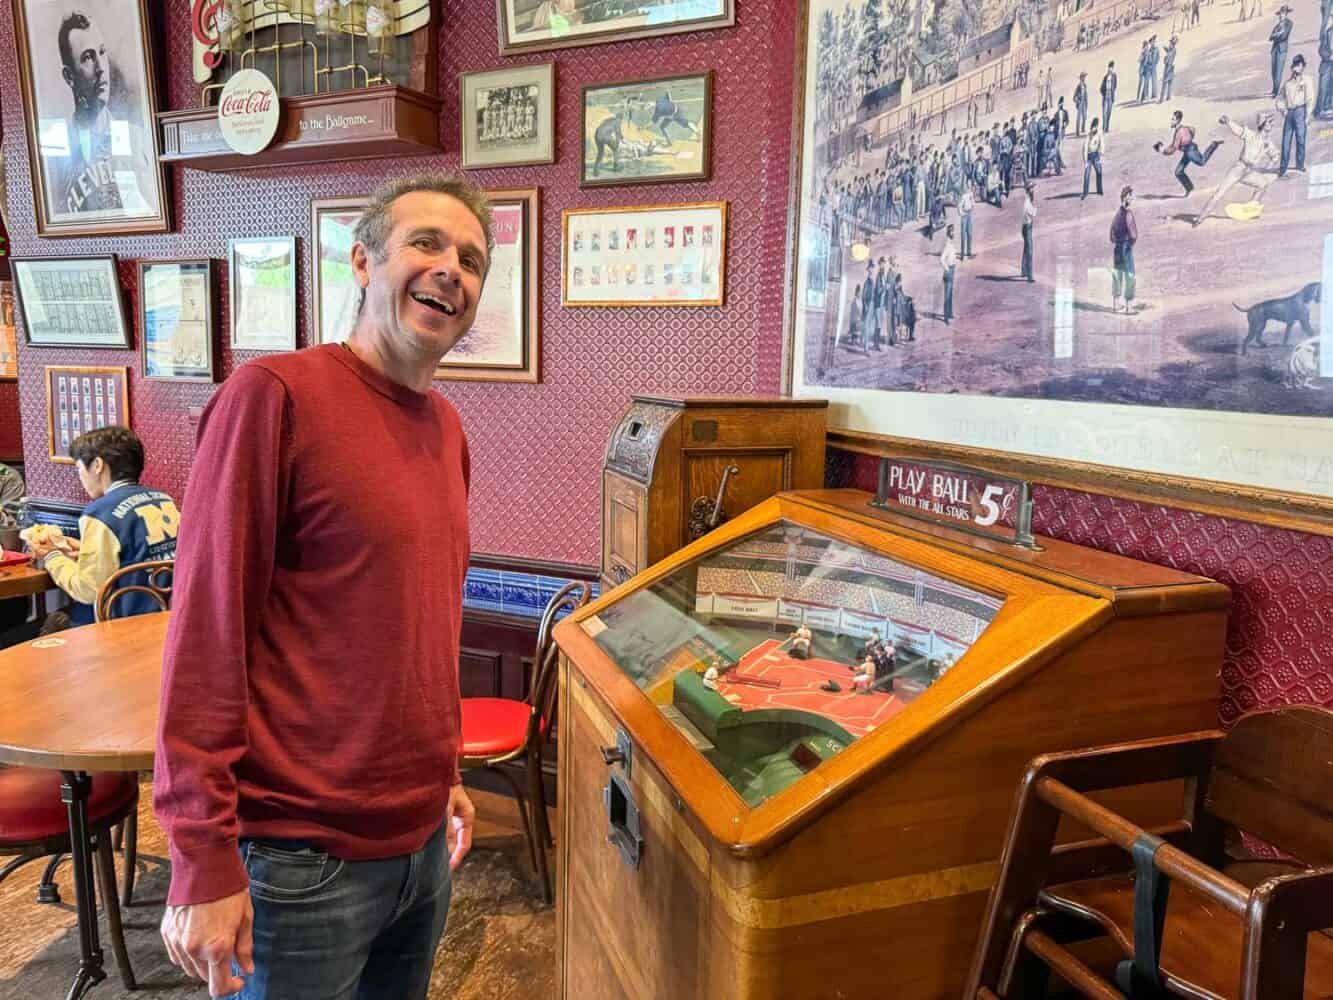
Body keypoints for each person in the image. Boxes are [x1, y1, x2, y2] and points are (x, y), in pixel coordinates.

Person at [154, 172, 494, 999]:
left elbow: (416, 627)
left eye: (472, 258)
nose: (452, 268)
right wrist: (201, 853)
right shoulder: (275, 396)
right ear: (362, 264)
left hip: (418, 847)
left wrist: (442, 768)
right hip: (297, 863)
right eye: (426, 243)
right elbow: (206, 633)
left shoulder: (445, 428)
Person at [25, 427, 179, 631]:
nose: (80, 478)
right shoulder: (163, 499)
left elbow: (88, 590)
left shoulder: (100, 512)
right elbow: (139, 555)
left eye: (79, 469)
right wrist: (83, 548)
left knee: (42, 626)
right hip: (167, 616)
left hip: (123, 621)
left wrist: (52, 555)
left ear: (97, 465)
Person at [52, 10, 155, 215]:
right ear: (69, 76)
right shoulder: (56, 154)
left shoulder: (136, 139)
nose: (101, 67)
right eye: (88, 57)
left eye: (102, 52)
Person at [1194, 112, 1279, 225]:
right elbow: (1238, 130)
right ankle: (1201, 217)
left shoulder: (1268, 143)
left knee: (1263, 184)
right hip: (1239, 168)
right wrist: (1228, 121)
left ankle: (1251, 210)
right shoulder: (1250, 135)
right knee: (1220, 192)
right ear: (1263, 124)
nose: (1272, 125)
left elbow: (1275, 156)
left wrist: (1266, 169)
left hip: (1249, 171)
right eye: (1269, 122)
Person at [1154, 110, 1222, 194]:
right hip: (1187, 151)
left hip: (1191, 151)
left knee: (1202, 162)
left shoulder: (1180, 131)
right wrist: (1165, 149)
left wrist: (1164, 151)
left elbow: (1174, 148)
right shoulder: (1180, 129)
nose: (1171, 121)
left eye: (1173, 119)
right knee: (1178, 172)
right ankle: (1190, 188)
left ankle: (1213, 144)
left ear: (1178, 120)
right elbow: (1189, 132)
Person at [1277, 54, 1315, 175]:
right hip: (1289, 112)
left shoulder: (1307, 80)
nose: (1297, 68)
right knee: (1286, 141)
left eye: (1299, 65)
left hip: (1301, 111)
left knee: (1300, 140)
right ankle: (1283, 167)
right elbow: (1280, 98)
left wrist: (1308, 115)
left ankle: (1299, 165)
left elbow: (1310, 98)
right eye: (1295, 66)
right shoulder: (1288, 83)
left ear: (1303, 66)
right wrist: (1283, 110)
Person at [1110, 186, 1139, 312]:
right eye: (1131, 196)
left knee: (1117, 275)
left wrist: (1117, 241)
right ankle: (1129, 307)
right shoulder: (1128, 214)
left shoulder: (1118, 213)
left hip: (1117, 247)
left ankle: (1116, 305)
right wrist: (1130, 244)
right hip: (1126, 246)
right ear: (1127, 197)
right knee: (1130, 275)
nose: (1132, 198)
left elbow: (1111, 234)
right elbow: (1133, 235)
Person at [1271, 6, 1294, 97]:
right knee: (1273, 70)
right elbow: (1271, 37)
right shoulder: (1277, 26)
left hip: (1282, 49)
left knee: (1278, 70)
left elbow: (1284, 36)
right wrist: (1276, 34)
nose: (1281, 15)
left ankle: (1276, 91)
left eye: (1283, 13)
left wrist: (1276, 35)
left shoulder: (1289, 23)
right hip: (1274, 49)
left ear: (1286, 14)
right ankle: (1274, 89)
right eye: (1280, 14)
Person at [1082, 118, 1105, 198]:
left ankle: (1099, 190)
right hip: (1089, 156)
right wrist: (1085, 161)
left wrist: (1100, 154)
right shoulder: (1088, 136)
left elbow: (1102, 145)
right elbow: (1085, 148)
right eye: (1092, 128)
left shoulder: (1099, 134)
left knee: (1099, 172)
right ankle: (1085, 192)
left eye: (1095, 127)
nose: (1093, 129)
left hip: (1096, 155)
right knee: (1087, 174)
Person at [941, 224, 959, 324]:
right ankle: (946, 316)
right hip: (949, 270)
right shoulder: (947, 245)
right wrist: (947, 269)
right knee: (947, 294)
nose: (954, 233)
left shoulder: (951, 243)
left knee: (950, 292)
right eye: (952, 231)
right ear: (949, 233)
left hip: (952, 268)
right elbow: (942, 259)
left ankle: (950, 313)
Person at [1021, 182, 1037, 282]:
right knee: (1030, 251)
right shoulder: (1027, 202)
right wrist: (1035, 207)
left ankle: (1023, 270)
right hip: (1027, 227)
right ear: (1028, 190)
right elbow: (1034, 213)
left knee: (1026, 248)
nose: (1033, 190)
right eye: (1031, 188)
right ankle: (1030, 276)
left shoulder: (1028, 201)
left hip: (1025, 226)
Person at [1100, 61, 1118, 132]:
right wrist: (1104, 94)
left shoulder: (1114, 76)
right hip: (1105, 96)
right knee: (1104, 113)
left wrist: (1112, 92)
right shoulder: (1105, 77)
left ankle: (1107, 127)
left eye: (1111, 68)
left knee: (1109, 113)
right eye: (1109, 68)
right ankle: (1104, 127)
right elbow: (1101, 88)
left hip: (1110, 96)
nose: (1110, 69)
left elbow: (1115, 85)